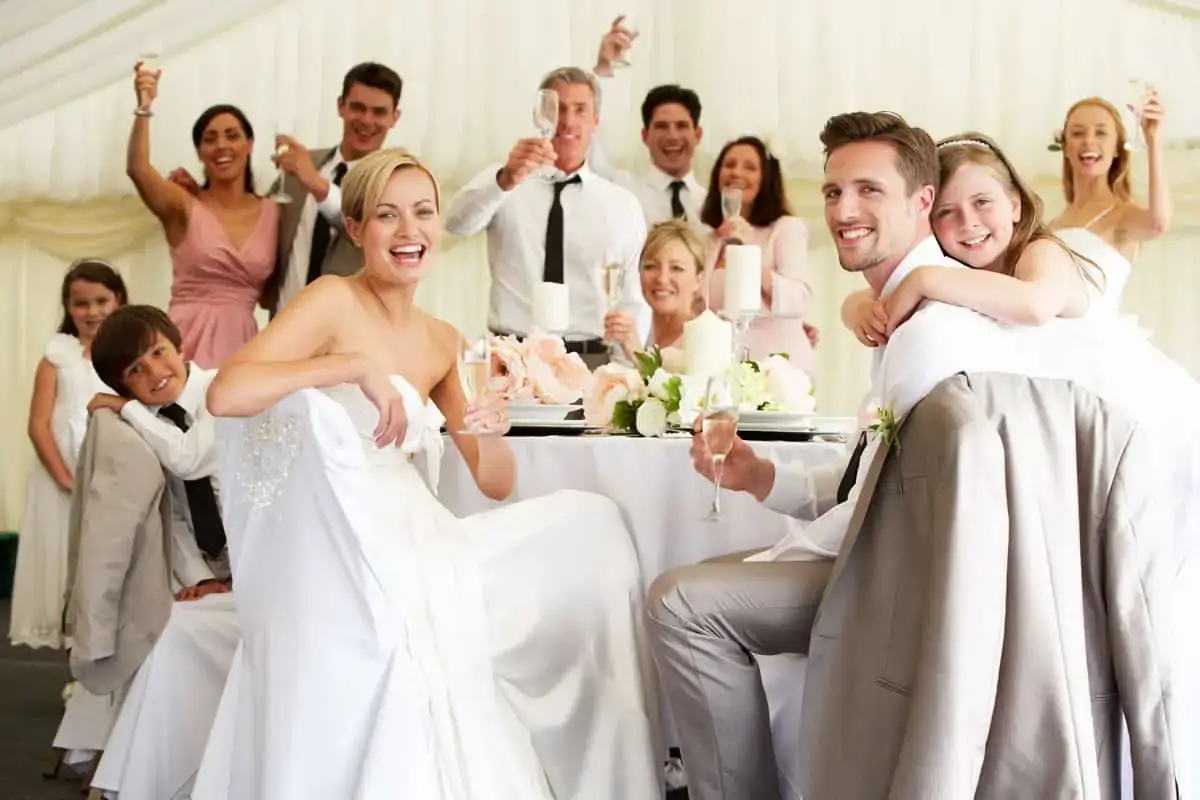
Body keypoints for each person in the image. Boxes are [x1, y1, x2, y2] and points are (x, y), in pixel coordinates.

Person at [202, 148, 660, 798]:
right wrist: (349, 366)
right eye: (387, 215)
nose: (408, 230)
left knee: (595, 522)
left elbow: (494, 481)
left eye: (423, 212)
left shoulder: (444, 340)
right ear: (357, 229)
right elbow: (227, 393)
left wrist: (490, 424)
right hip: (337, 534)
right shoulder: (332, 300)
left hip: (415, 527)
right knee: (412, 632)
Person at [642, 111, 1058, 800]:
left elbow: (875, 509)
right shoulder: (903, 316)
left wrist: (785, 544)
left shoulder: (932, 333)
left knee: (679, 602)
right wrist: (760, 475)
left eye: (869, 191)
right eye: (834, 192)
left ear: (923, 202)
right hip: (889, 554)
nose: (843, 210)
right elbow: (870, 478)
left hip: (905, 582)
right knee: (707, 572)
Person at [444, 67, 649, 367]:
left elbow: (633, 299)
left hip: (590, 359)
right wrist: (504, 180)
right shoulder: (505, 183)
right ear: (539, 115)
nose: (567, 121)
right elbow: (455, 224)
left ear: (595, 121)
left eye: (580, 110)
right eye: (558, 109)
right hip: (511, 357)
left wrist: (626, 370)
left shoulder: (622, 205)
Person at [170, 62, 404, 316]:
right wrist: (202, 196)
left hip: (347, 330)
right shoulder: (301, 166)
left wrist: (317, 185)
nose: (367, 120)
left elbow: (367, 230)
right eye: (358, 108)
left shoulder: (397, 180)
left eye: (379, 112)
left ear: (395, 118)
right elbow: (256, 218)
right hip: (283, 325)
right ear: (340, 106)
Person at [9, 260, 126, 650]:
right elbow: (38, 424)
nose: (92, 312)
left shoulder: (126, 355)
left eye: (101, 301)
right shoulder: (57, 357)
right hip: (62, 477)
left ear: (118, 299)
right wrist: (66, 480)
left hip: (110, 475)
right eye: (81, 303)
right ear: (68, 307)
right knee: (62, 556)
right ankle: (67, 639)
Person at [127, 64, 277, 368]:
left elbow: (276, 292)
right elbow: (138, 169)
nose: (222, 145)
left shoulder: (275, 212)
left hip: (243, 344)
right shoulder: (183, 205)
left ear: (249, 145)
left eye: (232, 136)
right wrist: (144, 106)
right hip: (186, 338)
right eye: (210, 139)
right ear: (199, 152)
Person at [88, 305, 232, 598]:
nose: (154, 373)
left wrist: (127, 408)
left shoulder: (223, 388)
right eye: (135, 370)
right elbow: (168, 509)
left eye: (157, 352)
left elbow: (188, 460)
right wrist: (201, 578)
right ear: (123, 386)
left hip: (264, 549)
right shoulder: (142, 430)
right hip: (209, 566)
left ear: (179, 347)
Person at [700, 136, 816, 370]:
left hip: (777, 367)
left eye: (750, 167)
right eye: (729, 165)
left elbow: (798, 299)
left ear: (766, 178)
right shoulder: (709, 240)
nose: (736, 172)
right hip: (724, 366)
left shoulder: (786, 229)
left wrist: (747, 254)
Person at [1049, 90, 1170, 311]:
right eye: (1078, 133)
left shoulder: (1123, 216)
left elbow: (1157, 224)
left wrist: (1154, 142)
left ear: (1116, 149)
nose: (1089, 141)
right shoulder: (1053, 225)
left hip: (1097, 332)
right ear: (1065, 146)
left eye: (1101, 133)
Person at [589, 17, 706, 226]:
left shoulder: (716, 205)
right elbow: (588, 153)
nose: (672, 136)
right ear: (645, 136)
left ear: (698, 135)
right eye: (661, 126)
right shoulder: (624, 192)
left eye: (681, 126)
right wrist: (604, 68)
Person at [603, 219, 705, 362]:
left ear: (699, 279)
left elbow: (670, 377)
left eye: (676, 268)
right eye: (651, 266)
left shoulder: (703, 339)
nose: (662, 279)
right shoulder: (645, 331)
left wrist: (637, 355)